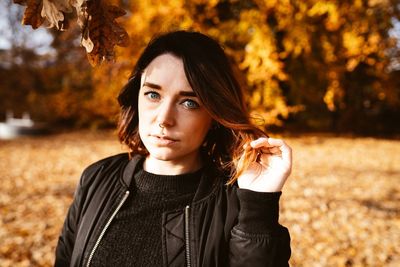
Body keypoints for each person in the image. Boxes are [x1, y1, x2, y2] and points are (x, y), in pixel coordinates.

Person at [55, 30, 292, 267]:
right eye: (153, 94)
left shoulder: (235, 202)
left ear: (214, 114)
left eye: (189, 102)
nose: (164, 119)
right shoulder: (97, 178)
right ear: (136, 96)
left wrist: (259, 203)